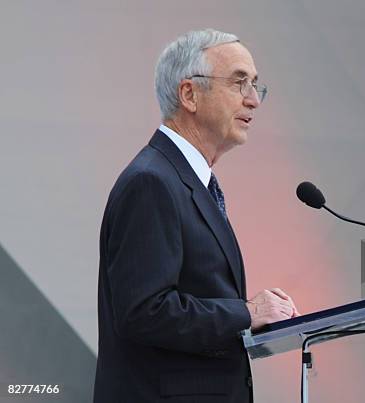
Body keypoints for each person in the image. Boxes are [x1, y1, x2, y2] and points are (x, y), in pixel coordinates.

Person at [94, 29, 299, 403]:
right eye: (239, 83)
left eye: (256, 85)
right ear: (189, 94)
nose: (254, 100)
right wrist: (246, 313)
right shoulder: (151, 182)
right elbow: (145, 312)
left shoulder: (184, 179)